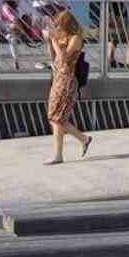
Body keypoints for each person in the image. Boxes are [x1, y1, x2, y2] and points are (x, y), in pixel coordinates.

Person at [43, 10, 93, 165]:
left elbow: (64, 59)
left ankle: (63, 152)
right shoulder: (62, 38)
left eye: (59, 25)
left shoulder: (76, 39)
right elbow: (53, 57)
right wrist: (49, 42)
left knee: (57, 118)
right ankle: (82, 140)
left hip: (67, 81)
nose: (57, 28)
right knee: (54, 117)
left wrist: (53, 40)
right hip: (58, 79)